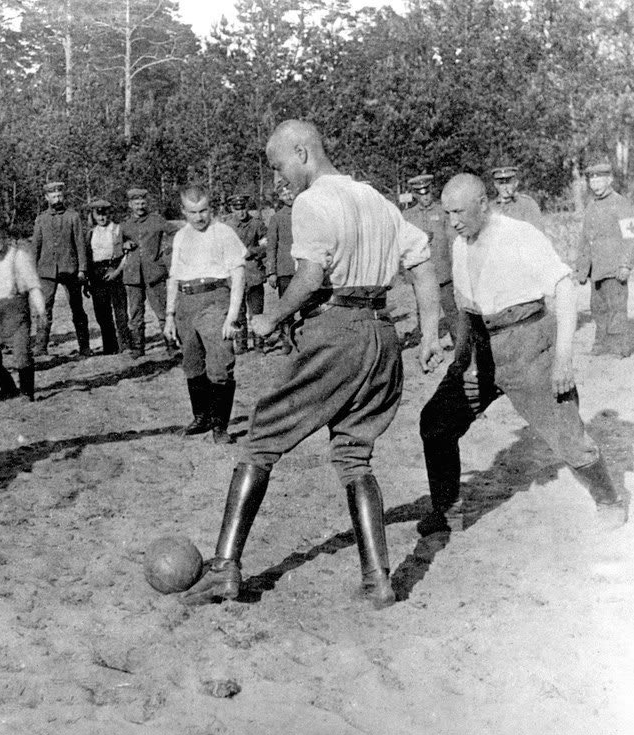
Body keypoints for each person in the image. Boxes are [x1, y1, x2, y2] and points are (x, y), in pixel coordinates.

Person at [181, 120, 444, 609]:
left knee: (261, 437)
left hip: (335, 331)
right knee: (353, 456)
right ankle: (378, 580)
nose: (281, 178)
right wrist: (429, 332)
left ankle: (224, 569)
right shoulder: (377, 199)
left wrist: (270, 317)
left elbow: (310, 276)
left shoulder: (312, 202)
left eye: (280, 165)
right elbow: (422, 263)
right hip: (382, 335)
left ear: (302, 151)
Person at [418, 174, 627, 539]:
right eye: (448, 212)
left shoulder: (519, 235)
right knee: (436, 421)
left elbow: (563, 288)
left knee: (567, 435)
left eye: (459, 212)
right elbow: (467, 308)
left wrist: (563, 358)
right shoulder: (461, 242)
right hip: (481, 349)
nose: (452, 221)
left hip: (528, 346)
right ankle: (448, 509)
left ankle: (608, 499)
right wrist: (459, 358)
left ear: (483, 203)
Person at [164, 185, 246, 445]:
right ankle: (201, 418)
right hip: (186, 304)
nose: (199, 217)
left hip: (215, 301)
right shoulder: (180, 237)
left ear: (212, 208)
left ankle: (220, 428)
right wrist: (169, 314)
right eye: (192, 212)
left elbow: (239, 273)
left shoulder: (224, 233)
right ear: (183, 211)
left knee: (220, 365)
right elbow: (174, 277)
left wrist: (232, 315)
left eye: (203, 211)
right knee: (192, 364)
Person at [0, 227, 46, 401]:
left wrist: (41, 311)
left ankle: (27, 393)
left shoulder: (19, 257)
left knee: (22, 355)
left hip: (16, 312)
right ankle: (8, 388)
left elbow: (33, 286)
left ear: (5, 241)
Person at [574, 161, 634, 358]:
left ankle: (619, 348)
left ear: (609, 179)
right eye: (591, 179)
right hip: (597, 270)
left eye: (599, 178)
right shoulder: (591, 206)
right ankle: (601, 345)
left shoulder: (621, 203)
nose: (595, 182)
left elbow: (632, 236)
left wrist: (626, 265)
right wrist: (582, 269)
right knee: (598, 309)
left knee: (616, 308)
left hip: (614, 268)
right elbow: (585, 239)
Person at [30, 181, 91, 357]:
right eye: (53, 196)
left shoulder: (73, 217)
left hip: (70, 269)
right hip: (46, 271)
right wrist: (32, 271)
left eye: (60, 195)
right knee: (44, 308)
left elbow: (80, 244)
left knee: (77, 308)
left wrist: (82, 269)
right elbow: (36, 246)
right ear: (46, 198)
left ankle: (84, 346)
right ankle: (41, 347)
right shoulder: (41, 219)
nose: (57, 199)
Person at [119, 187, 181, 359]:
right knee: (136, 314)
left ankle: (171, 345)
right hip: (133, 276)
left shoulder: (156, 220)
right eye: (136, 203)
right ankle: (138, 348)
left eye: (142, 202)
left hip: (154, 274)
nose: (140, 206)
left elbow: (176, 232)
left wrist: (168, 249)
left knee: (162, 312)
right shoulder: (124, 225)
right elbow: (116, 245)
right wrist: (123, 245)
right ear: (130, 205)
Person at [402, 174, 458, 345]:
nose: (425, 197)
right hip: (421, 274)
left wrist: (455, 268)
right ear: (415, 195)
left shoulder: (443, 211)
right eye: (420, 194)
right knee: (423, 308)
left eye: (427, 193)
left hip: (443, 271)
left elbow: (452, 241)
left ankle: (460, 343)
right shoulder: (408, 215)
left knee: (450, 309)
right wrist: (407, 273)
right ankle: (427, 343)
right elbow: (404, 244)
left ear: (432, 191)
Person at [223, 190, 267, 352]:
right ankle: (241, 344)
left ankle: (258, 344)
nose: (240, 212)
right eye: (236, 208)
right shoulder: (226, 227)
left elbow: (266, 244)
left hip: (253, 273)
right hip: (234, 276)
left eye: (243, 208)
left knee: (256, 312)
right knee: (238, 311)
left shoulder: (257, 224)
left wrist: (253, 252)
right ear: (231, 209)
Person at [86, 198, 131, 354]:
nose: (102, 218)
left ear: (109, 214)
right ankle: (110, 346)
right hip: (97, 274)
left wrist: (117, 270)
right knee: (102, 312)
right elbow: (87, 256)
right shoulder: (91, 233)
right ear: (93, 215)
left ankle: (125, 344)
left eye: (104, 214)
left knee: (120, 310)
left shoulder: (118, 229)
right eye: (98, 215)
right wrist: (88, 280)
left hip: (115, 269)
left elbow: (128, 252)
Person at [264, 183, 296, 354]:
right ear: (280, 198)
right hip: (286, 270)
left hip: (305, 268)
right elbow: (271, 247)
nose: (289, 197)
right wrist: (272, 271)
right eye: (285, 195)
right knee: (286, 307)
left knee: (309, 305)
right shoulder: (277, 218)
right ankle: (286, 341)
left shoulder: (306, 213)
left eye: (291, 193)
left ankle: (307, 339)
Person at [490, 166, 544, 231]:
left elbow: (538, 233)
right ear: (496, 185)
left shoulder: (527, 204)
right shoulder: (491, 207)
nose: (505, 187)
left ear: (516, 183)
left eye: (508, 183)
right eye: (501, 183)